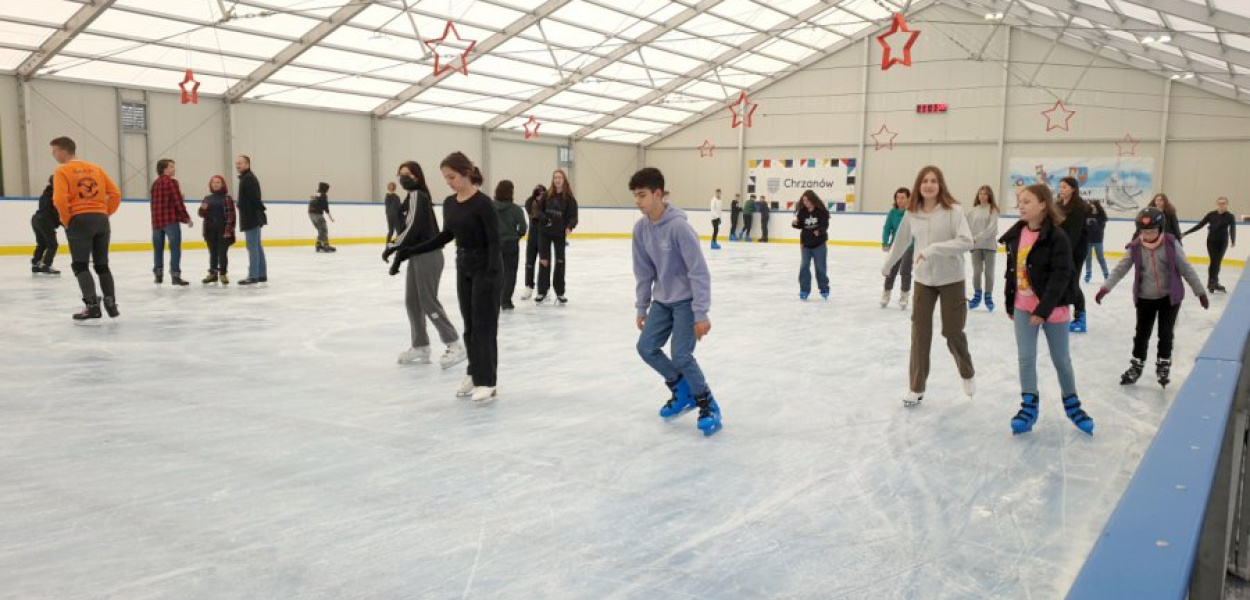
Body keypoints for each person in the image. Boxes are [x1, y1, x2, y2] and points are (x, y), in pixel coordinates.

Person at [387, 153, 499, 402]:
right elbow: (445, 236)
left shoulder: (483, 203)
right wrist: (410, 250)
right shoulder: (450, 203)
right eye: (446, 178)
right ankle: (474, 372)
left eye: (452, 177)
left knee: (484, 327)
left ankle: (488, 381)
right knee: (470, 327)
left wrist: (491, 275)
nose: (448, 182)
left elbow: (494, 242)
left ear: (467, 173)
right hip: (464, 267)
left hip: (485, 269)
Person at [630, 167, 720, 436]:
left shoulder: (680, 227)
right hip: (661, 302)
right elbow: (643, 272)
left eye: (642, 195)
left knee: (681, 354)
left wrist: (700, 313)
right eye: (635, 196)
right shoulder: (641, 229)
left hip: (686, 302)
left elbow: (699, 272)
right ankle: (682, 390)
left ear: (658, 194)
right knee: (646, 347)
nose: (638, 201)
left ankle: (707, 402)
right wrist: (641, 306)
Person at [1000, 184, 1093, 436]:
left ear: (1043, 204)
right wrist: (1010, 302)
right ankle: (1029, 406)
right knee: (1026, 359)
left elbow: (1060, 276)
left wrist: (1043, 309)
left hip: (1053, 309)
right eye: (1020, 201)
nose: (1021, 205)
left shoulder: (1057, 237)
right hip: (1022, 307)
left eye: (1027, 201)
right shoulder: (1016, 234)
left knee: (1061, 360)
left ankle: (1073, 405)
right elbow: (1012, 272)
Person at [881, 165, 976, 407]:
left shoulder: (954, 210)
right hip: (923, 279)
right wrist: (889, 265)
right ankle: (916, 387)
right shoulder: (912, 213)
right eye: (925, 180)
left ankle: (966, 372)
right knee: (920, 334)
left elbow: (967, 241)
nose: (929, 184)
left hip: (951, 278)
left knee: (952, 332)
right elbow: (901, 241)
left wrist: (933, 249)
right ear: (918, 185)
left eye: (934, 180)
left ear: (940, 184)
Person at [1097, 207, 1209, 388]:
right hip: (1145, 298)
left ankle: (1163, 363)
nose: (1148, 234)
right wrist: (1105, 288)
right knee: (1141, 333)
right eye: (1144, 231)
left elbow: (1186, 269)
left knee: (1165, 332)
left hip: (1169, 298)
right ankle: (1136, 364)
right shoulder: (1135, 247)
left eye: (1152, 230)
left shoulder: (1171, 244)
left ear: (1160, 229)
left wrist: (1200, 293)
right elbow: (1120, 269)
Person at [386, 161, 465, 369]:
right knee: (412, 301)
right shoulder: (411, 197)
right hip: (417, 255)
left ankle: (454, 343)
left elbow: (411, 228)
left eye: (407, 174)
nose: (403, 178)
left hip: (428, 256)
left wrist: (393, 245)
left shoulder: (417, 196)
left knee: (427, 301)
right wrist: (398, 255)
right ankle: (420, 345)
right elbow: (411, 231)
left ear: (416, 177)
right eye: (400, 174)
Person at [50, 136, 121, 321]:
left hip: (79, 220)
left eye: (54, 151)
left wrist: (67, 220)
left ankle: (92, 307)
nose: (53, 155)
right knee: (102, 264)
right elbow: (115, 193)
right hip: (101, 219)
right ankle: (111, 304)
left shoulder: (62, 170)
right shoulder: (96, 168)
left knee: (80, 264)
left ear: (64, 151)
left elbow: (59, 199)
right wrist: (105, 212)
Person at [536, 170, 578, 304]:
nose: (557, 180)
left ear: (564, 180)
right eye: (555, 178)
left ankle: (560, 292)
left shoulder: (569, 199)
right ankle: (542, 291)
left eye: (559, 178)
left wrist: (569, 227)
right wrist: (544, 219)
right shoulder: (546, 195)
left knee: (560, 262)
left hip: (560, 234)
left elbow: (573, 216)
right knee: (544, 261)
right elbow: (538, 211)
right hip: (544, 233)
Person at [150, 158, 193, 286]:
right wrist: (186, 218)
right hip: (170, 221)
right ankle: (175, 276)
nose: (174, 169)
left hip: (157, 222)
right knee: (175, 249)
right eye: (172, 167)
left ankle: (158, 275)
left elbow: (154, 204)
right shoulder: (172, 183)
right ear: (165, 169)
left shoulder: (155, 184)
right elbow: (177, 202)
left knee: (158, 249)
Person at [1183, 196, 1237, 293]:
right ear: (1217, 204)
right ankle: (1213, 282)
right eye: (1219, 203)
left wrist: (1233, 240)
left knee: (1217, 262)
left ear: (1227, 204)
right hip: (1211, 242)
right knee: (1214, 261)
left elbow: (1232, 229)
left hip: (1223, 242)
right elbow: (1200, 225)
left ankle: (1212, 282)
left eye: (1223, 203)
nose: (1221, 205)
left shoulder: (1230, 216)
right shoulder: (1211, 215)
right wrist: (1186, 233)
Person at [1056, 177, 1090, 332]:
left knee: (1072, 281)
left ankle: (1080, 316)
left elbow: (1074, 234)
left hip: (1075, 250)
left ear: (1073, 189)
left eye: (1064, 187)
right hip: (1060, 249)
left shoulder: (1079, 207)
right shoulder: (1057, 205)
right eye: (1060, 187)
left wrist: (1066, 252)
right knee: (1059, 281)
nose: (1061, 189)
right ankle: (1057, 314)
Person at [493, 180, 528, 310]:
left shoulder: (490, 207)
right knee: (510, 273)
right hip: (511, 245)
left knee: (495, 272)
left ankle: (495, 299)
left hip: (494, 244)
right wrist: (517, 235)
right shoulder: (516, 210)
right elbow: (523, 228)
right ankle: (506, 301)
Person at [966, 185, 1000, 311]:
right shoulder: (973, 212)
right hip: (976, 247)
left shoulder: (993, 210)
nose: (983, 196)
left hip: (989, 246)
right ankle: (977, 294)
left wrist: (977, 238)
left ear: (989, 195)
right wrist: (970, 240)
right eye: (980, 193)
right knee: (977, 271)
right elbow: (967, 229)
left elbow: (991, 229)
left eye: (985, 193)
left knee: (989, 273)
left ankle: (988, 296)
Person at [235, 155, 268, 285]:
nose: (238, 166)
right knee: (257, 246)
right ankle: (261, 274)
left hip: (251, 217)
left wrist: (258, 210)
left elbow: (255, 199)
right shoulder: (247, 177)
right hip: (253, 216)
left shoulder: (247, 179)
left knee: (252, 246)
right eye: (236, 163)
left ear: (247, 164)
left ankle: (253, 275)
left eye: (240, 163)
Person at [792, 189, 830, 300]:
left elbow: (825, 225)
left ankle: (824, 288)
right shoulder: (802, 212)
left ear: (813, 200)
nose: (806, 203)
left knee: (820, 268)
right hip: (806, 245)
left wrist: (819, 231)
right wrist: (795, 224)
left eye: (808, 200)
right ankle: (804, 290)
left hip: (819, 245)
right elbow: (800, 225)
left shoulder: (821, 211)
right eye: (804, 201)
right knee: (804, 267)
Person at [198, 175, 237, 285]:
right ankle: (213, 274)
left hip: (223, 230)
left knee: (222, 253)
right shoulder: (207, 198)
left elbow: (231, 216)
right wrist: (202, 209)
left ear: (223, 184)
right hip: (210, 230)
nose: (215, 184)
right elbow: (201, 214)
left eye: (218, 182)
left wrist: (228, 230)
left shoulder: (227, 198)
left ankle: (223, 273)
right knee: (212, 253)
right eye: (213, 182)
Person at [881, 187, 912, 309]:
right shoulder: (892, 213)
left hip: (910, 245)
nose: (900, 200)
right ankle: (886, 294)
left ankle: (904, 296)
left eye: (902, 197)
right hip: (896, 245)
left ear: (908, 198)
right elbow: (887, 228)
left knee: (905, 270)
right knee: (891, 269)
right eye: (898, 197)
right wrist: (885, 242)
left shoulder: (912, 212)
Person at [30, 176, 61, 276]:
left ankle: (36, 263)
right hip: (45, 220)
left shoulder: (46, 193)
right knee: (53, 244)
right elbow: (56, 211)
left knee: (41, 243)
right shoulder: (56, 194)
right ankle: (46, 264)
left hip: (36, 219)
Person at [520, 184, 545, 300]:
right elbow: (535, 216)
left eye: (542, 193)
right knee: (529, 262)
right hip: (533, 237)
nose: (540, 195)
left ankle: (545, 288)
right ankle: (529, 286)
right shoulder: (529, 202)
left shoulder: (547, 203)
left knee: (544, 263)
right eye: (538, 193)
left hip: (545, 236)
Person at [1085, 200, 1109, 283]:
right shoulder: (1087, 216)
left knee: (1100, 258)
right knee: (1088, 258)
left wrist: (1094, 223)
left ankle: (1106, 274)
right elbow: (1084, 228)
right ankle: (1088, 274)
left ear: (1098, 207)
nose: (1093, 209)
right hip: (1088, 240)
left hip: (1098, 240)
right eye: (1091, 207)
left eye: (1094, 207)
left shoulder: (1101, 217)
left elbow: (1100, 229)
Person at [309, 181, 336, 253]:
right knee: (324, 229)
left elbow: (312, 198)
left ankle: (318, 245)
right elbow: (326, 208)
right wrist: (331, 218)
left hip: (311, 214)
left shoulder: (316, 193)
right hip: (317, 215)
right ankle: (326, 245)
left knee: (320, 230)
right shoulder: (324, 195)